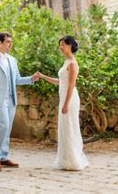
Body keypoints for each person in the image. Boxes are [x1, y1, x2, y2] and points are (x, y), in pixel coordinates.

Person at [0, 32, 39, 171]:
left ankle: (4, 157)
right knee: (4, 126)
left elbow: (17, 79)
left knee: (7, 129)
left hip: (11, 99)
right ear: (0, 43)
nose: (10, 44)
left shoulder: (12, 60)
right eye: (7, 41)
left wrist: (31, 78)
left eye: (10, 41)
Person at [36, 35, 89, 171]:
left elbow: (71, 85)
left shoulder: (72, 63)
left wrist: (66, 104)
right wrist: (43, 77)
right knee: (64, 128)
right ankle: (66, 159)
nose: (60, 47)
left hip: (69, 99)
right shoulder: (66, 62)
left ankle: (73, 160)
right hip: (64, 97)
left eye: (62, 45)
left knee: (70, 127)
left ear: (69, 46)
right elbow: (60, 81)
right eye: (59, 45)